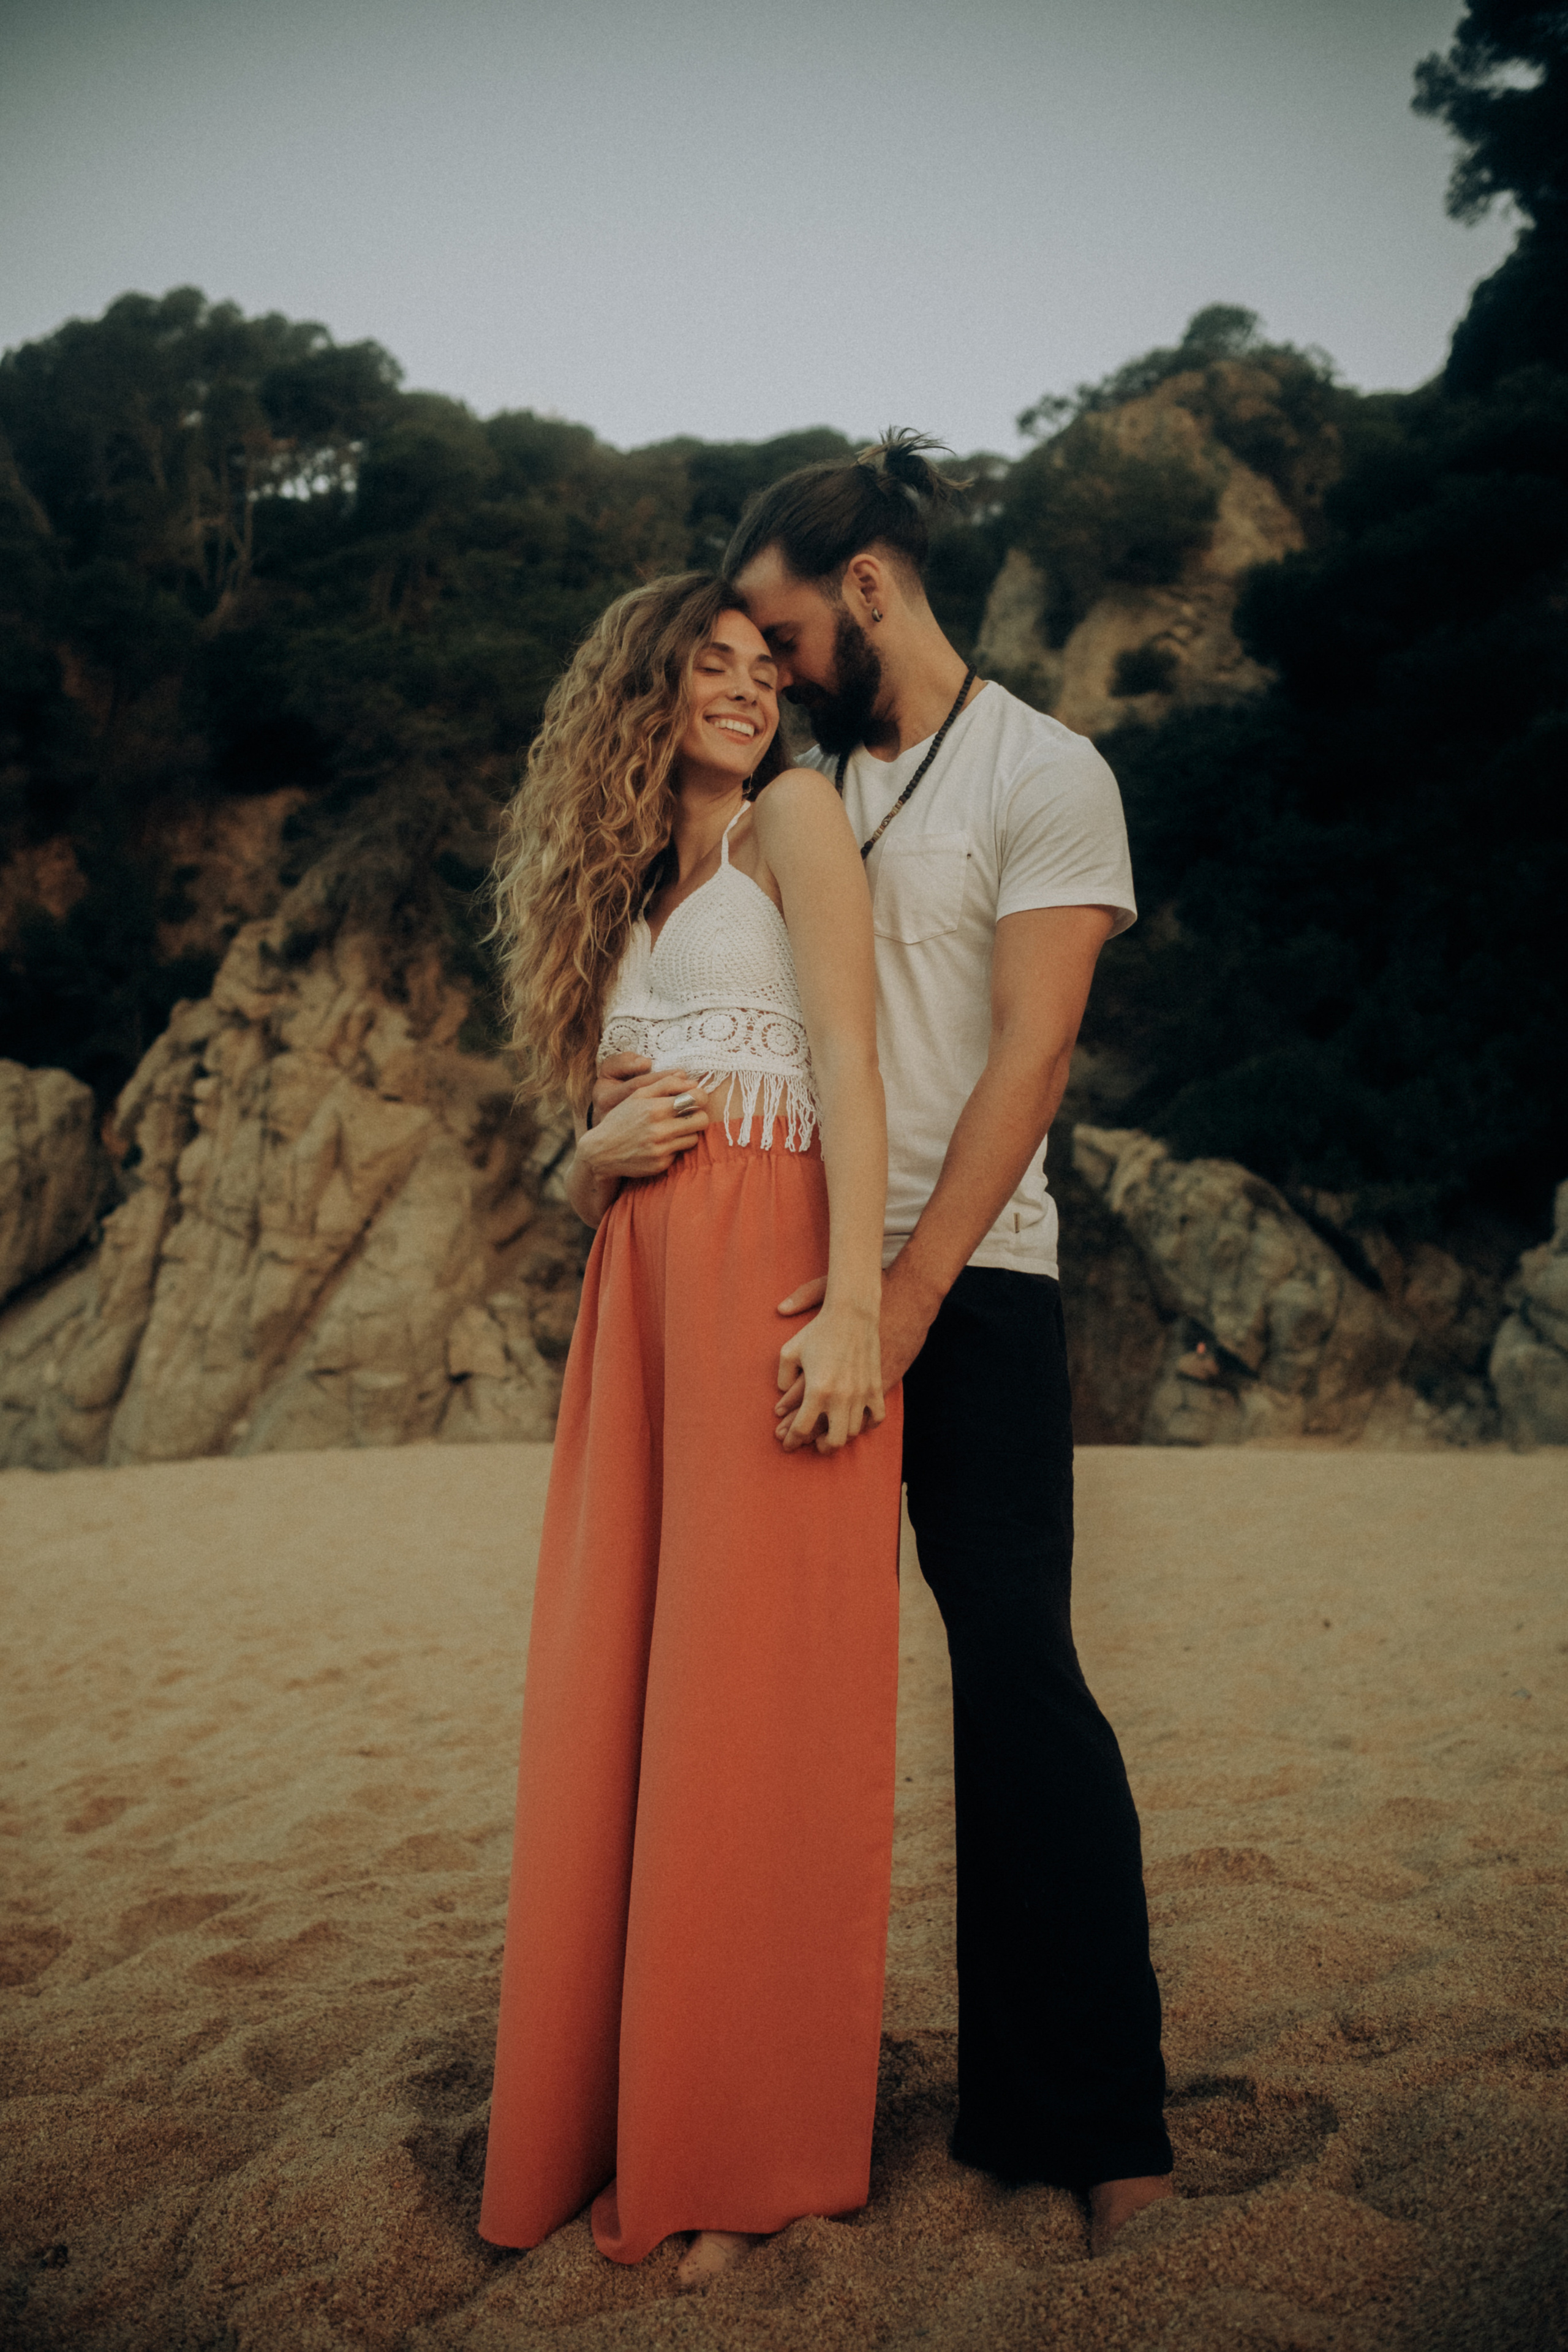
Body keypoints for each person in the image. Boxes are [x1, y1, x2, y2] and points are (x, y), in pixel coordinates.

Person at [721, 431, 1175, 2251]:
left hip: (970, 1291)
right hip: (787, 1274)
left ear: (869, 584)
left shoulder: (1049, 772)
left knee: (1019, 1675)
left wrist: (901, 1299)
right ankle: (737, 2104)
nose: (767, 665)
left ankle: (1092, 2121)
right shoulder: (801, 787)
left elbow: (1031, 1055)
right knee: (762, 1690)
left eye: (780, 625)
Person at [478, 572, 903, 2289]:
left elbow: (855, 1068)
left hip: (772, 1285)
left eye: (756, 666)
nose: (742, 689)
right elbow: (576, 1140)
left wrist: (860, 1308)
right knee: (624, 1704)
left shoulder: (800, 816)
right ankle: (616, 2113)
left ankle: (742, 2147)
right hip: (638, 1309)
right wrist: (587, 1164)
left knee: (753, 1710)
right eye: (704, 667)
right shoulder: (625, 885)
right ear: (637, 698)